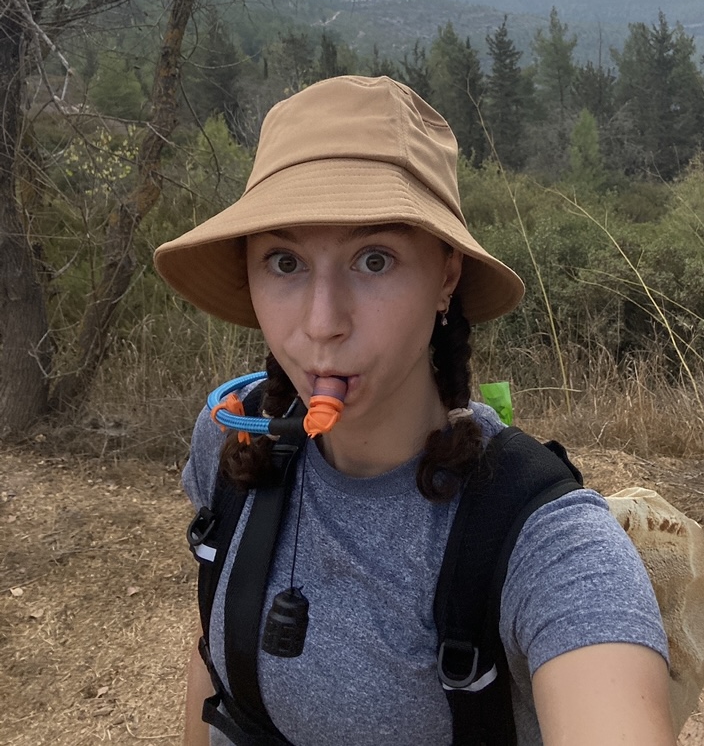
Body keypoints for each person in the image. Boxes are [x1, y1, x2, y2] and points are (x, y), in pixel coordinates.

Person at [154, 75, 676, 746]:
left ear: (446, 276)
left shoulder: (541, 539)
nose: (322, 323)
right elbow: (214, 661)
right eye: (285, 262)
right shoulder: (234, 441)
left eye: (374, 260)